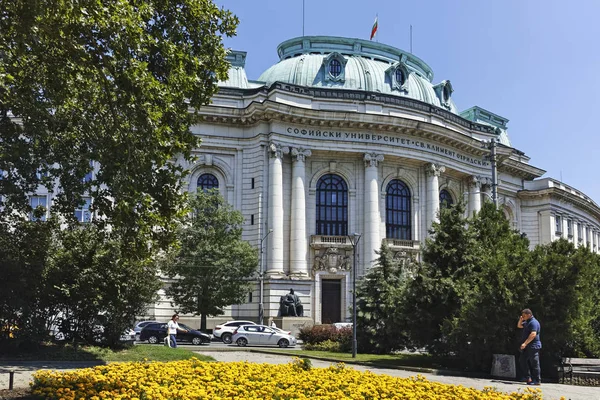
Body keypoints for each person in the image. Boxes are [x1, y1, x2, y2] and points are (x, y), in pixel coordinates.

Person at [517, 308, 542, 385]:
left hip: (533, 346)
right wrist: (521, 320)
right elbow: (519, 326)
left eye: (524, 316)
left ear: (529, 315)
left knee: (534, 363)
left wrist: (525, 343)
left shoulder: (533, 322)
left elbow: (533, 334)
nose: (523, 317)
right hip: (527, 346)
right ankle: (528, 378)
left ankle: (537, 380)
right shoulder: (527, 322)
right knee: (522, 360)